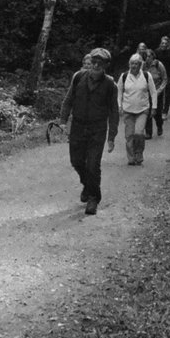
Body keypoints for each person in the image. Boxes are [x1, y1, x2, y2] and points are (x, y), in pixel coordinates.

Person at [60, 47, 118, 215]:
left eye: (100, 62)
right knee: (76, 161)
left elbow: (114, 111)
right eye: (94, 61)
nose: (96, 65)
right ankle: (88, 185)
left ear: (106, 65)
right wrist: (63, 121)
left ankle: (93, 197)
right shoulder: (79, 77)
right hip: (78, 127)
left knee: (92, 164)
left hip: (97, 129)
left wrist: (111, 137)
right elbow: (68, 100)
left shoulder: (110, 84)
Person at [117, 53, 157, 165]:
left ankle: (139, 153)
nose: (134, 66)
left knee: (139, 133)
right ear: (129, 64)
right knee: (129, 135)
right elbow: (119, 92)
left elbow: (153, 92)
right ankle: (131, 157)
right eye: (132, 63)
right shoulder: (124, 76)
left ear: (140, 65)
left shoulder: (146, 75)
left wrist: (154, 107)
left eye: (136, 64)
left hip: (142, 110)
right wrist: (119, 106)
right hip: (128, 110)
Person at [144, 48, 168, 138]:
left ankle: (159, 125)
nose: (147, 58)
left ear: (152, 57)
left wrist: (159, 90)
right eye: (145, 56)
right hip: (146, 93)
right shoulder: (143, 65)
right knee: (147, 111)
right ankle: (148, 132)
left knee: (157, 113)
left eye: (149, 56)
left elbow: (164, 79)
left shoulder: (159, 65)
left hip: (157, 92)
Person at [155, 35, 170, 118]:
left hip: (169, 74)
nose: (164, 44)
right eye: (162, 43)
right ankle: (158, 109)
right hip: (159, 75)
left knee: (167, 93)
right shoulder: (157, 51)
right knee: (159, 92)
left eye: (165, 43)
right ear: (160, 43)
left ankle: (165, 111)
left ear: (168, 44)